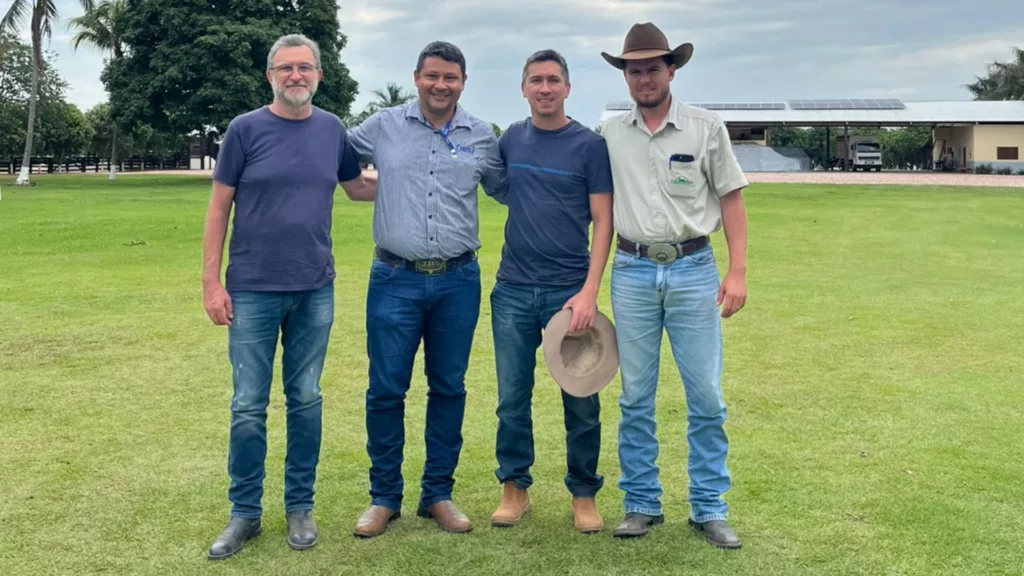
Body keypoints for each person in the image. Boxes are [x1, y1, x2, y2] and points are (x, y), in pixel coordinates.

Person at [201, 33, 377, 560]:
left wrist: (420, 177)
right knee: (249, 405)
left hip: (314, 287)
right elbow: (217, 209)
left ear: (319, 75)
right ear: (270, 76)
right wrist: (211, 283)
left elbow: (357, 187)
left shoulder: (332, 130)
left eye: (305, 68)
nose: (295, 75)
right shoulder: (244, 130)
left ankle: (300, 506)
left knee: (305, 399)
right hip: (252, 288)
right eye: (285, 68)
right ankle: (245, 514)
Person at [345, 40, 508, 538]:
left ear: (463, 82)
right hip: (394, 278)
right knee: (386, 390)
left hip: (458, 280)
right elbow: (331, 155)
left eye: (451, 78)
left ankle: (437, 492)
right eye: (432, 76)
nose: (441, 85)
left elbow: (509, 189)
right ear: (416, 76)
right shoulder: (383, 126)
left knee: (449, 387)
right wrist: (361, 187)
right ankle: (384, 497)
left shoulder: (481, 135)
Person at [597, 22, 749, 548]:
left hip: (693, 268)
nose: (643, 78)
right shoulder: (612, 132)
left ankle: (709, 507)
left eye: (652, 68)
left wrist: (737, 270)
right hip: (634, 269)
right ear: (626, 75)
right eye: (634, 70)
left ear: (671, 70)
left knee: (705, 394)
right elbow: (600, 208)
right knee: (635, 394)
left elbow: (730, 198)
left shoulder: (705, 127)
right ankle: (640, 503)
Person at [487, 50, 613, 533]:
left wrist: (588, 291)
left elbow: (604, 221)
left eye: (553, 80)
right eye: (536, 80)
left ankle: (583, 494)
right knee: (511, 397)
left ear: (567, 88)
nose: (544, 88)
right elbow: (499, 188)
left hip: (569, 292)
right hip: (513, 291)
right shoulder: (511, 139)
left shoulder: (589, 146)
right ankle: (515, 488)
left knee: (581, 395)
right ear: (523, 88)